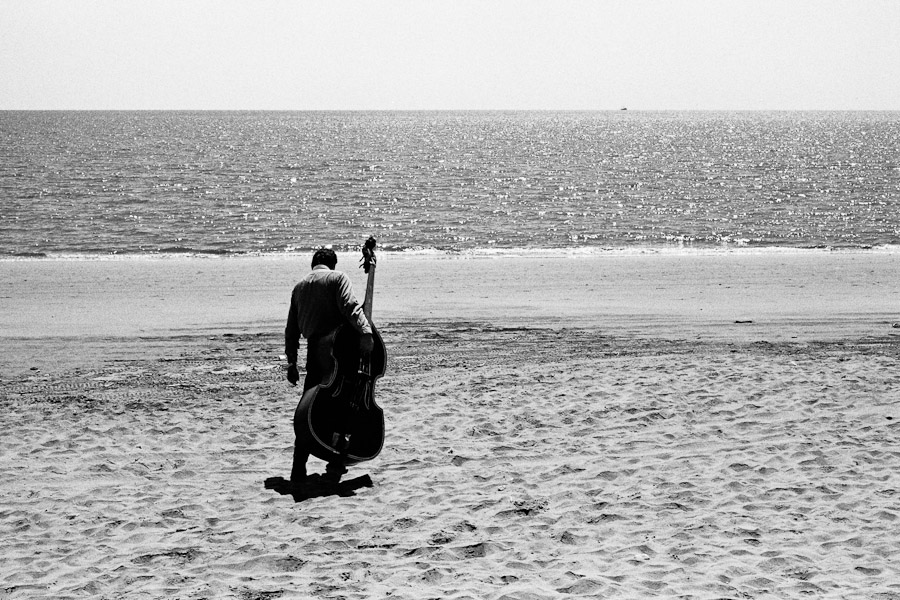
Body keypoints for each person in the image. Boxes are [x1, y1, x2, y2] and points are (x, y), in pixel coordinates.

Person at [284, 247, 374, 484]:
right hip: (338, 350)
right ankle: (336, 463)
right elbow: (350, 307)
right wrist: (365, 331)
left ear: (313, 263)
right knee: (348, 403)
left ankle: (298, 469)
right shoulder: (337, 278)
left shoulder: (299, 287)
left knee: (309, 405)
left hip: (315, 352)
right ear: (332, 264)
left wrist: (292, 362)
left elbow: (291, 330)